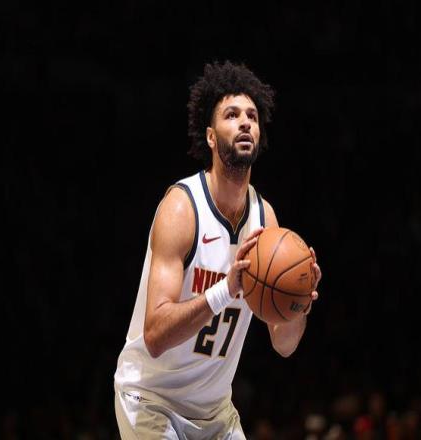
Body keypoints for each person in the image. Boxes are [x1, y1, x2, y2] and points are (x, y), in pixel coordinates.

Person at [114, 60, 322, 439]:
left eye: (252, 116)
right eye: (232, 115)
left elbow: (284, 344)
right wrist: (226, 288)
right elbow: (155, 336)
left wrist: (299, 303)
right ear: (211, 137)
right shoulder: (181, 208)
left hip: (214, 411)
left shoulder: (265, 219)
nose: (245, 123)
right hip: (151, 398)